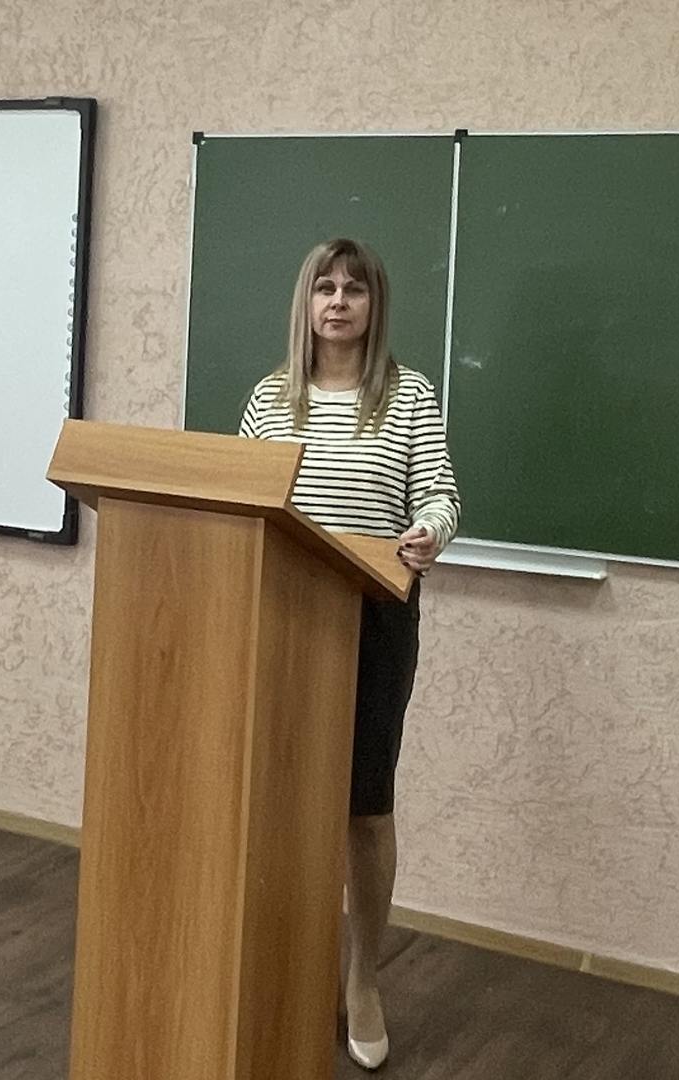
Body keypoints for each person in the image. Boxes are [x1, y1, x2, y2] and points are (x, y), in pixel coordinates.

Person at [237, 237, 460, 1071]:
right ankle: (293, 969)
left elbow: (439, 493)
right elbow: (243, 497)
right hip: (282, 614)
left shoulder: (408, 395)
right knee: (283, 801)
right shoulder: (270, 398)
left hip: (373, 616)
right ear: (307, 302)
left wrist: (429, 529)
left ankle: (363, 978)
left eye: (354, 290)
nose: (338, 302)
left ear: (374, 305)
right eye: (325, 288)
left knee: (364, 807)